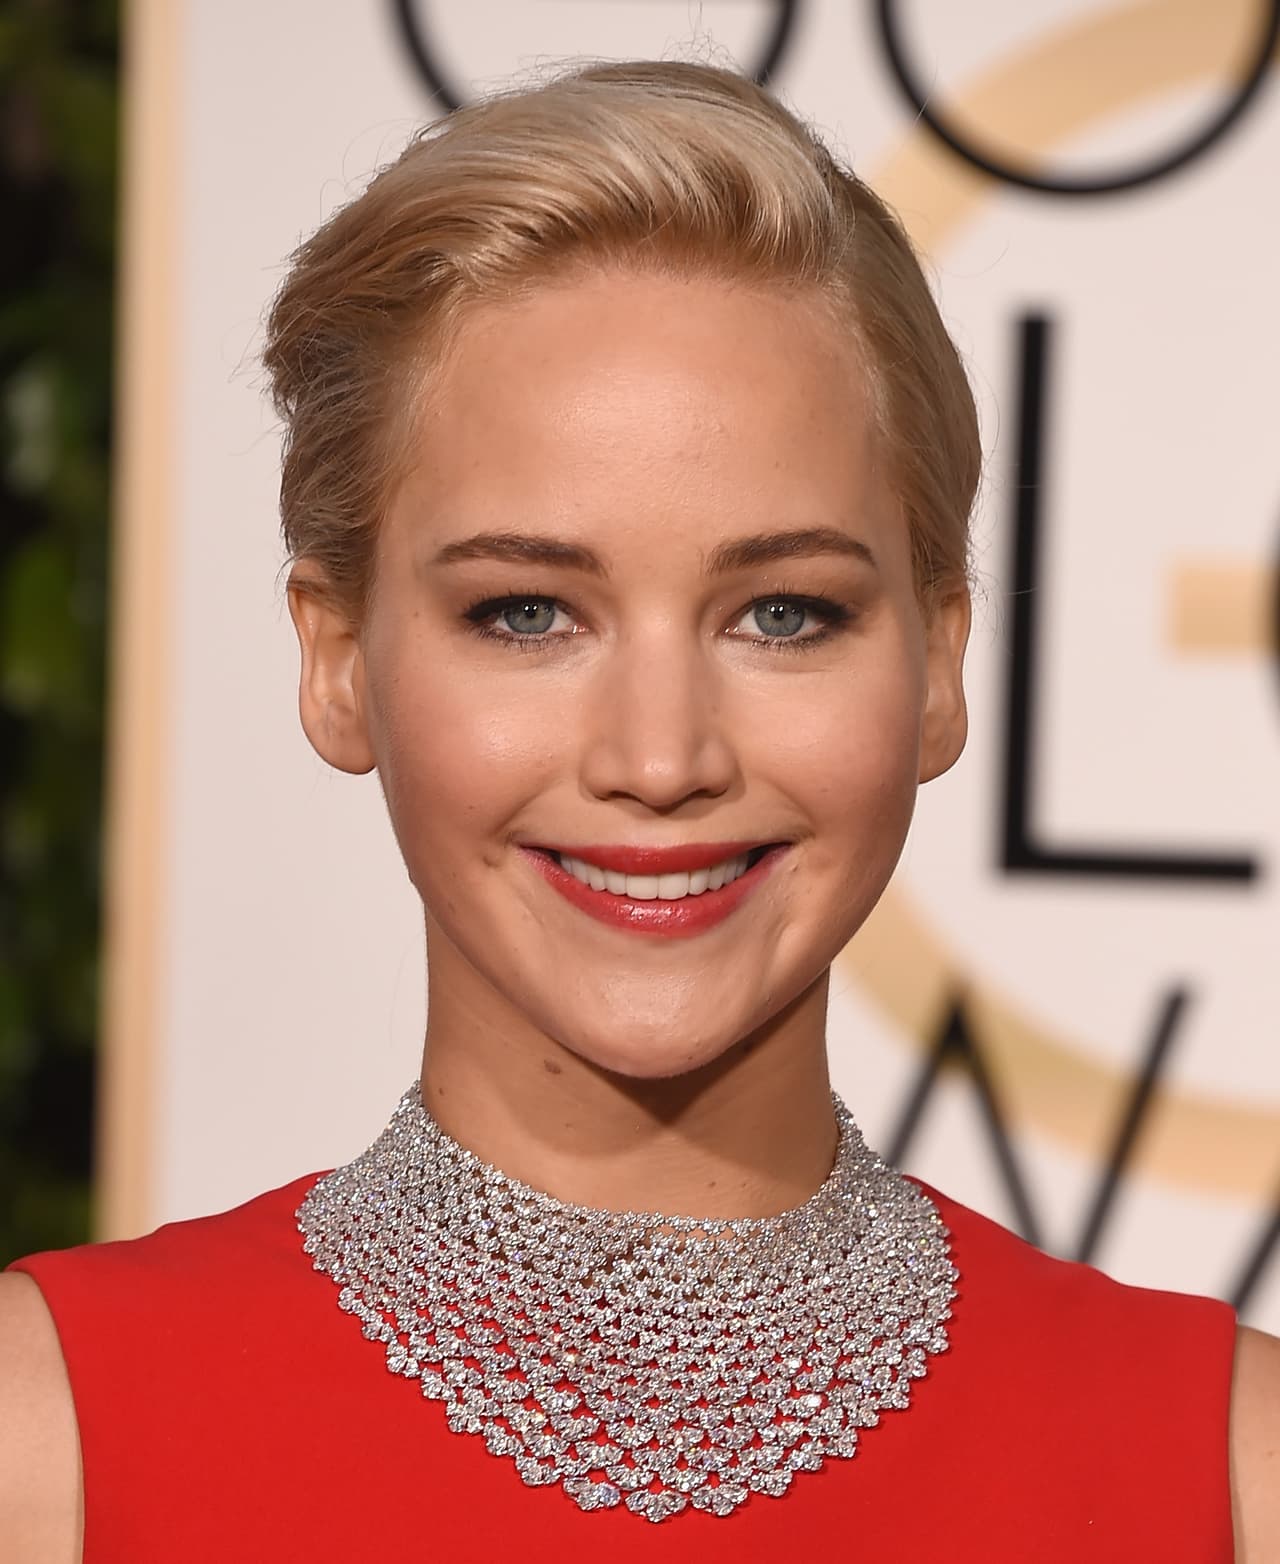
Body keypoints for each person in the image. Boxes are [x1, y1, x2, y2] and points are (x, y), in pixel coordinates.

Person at [1, 58, 1276, 1562]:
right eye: (529, 611)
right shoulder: (50, 1439)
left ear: (938, 664)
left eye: (784, 614)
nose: (659, 758)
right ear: (340, 662)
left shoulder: (1227, 1464)